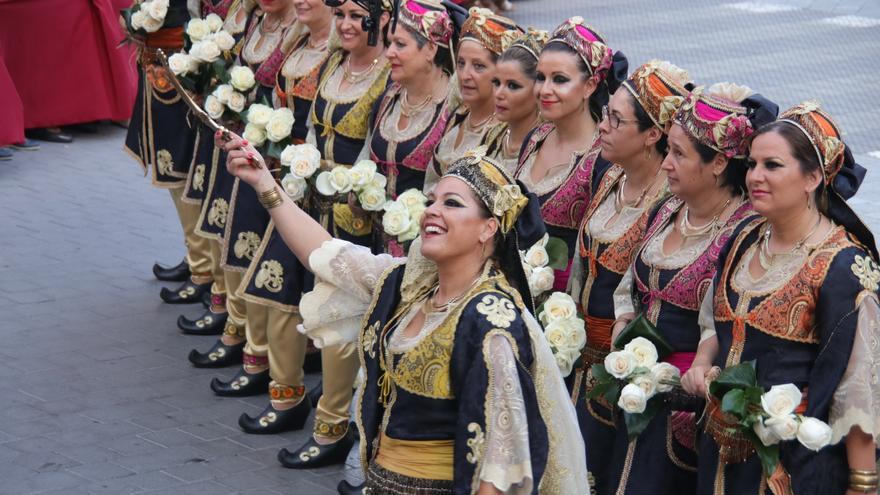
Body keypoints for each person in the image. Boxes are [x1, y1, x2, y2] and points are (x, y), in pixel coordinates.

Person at [222, 135, 590, 493]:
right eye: (432, 201)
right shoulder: (411, 287)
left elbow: (503, 459)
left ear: (488, 228)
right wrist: (265, 185)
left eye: (452, 203)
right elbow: (328, 254)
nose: (433, 210)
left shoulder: (491, 321)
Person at [680, 102, 879, 494]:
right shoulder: (744, 238)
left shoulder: (843, 267)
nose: (755, 176)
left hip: (792, 470)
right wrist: (703, 363)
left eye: (772, 165)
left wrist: (863, 483)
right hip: (719, 460)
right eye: (752, 164)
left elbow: (859, 389)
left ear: (812, 178)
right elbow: (714, 319)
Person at [604, 83, 778, 494]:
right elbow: (630, 285)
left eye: (679, 154)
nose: (665, 164)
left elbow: (722, 321)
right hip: (636, 396)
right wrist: (624, 322)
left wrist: (695, 369)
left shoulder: (744, 232)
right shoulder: (667, 210)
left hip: (689, 412)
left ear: (718, 163)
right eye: (667, 150)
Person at [270, 0, 392, 469]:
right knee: (312, 309)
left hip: (359, 220)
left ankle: (334, 426)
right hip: (315, 205)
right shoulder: (334, 63)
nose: (344, 25)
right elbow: (311, 130)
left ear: (379, 21)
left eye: (355, 16)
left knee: (346, 323)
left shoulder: (385, 79)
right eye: (338, 13)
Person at [209, 0, 334, 433]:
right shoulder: (296, 38)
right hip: (275, 169)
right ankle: (260, 363)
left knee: (290, 289)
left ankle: (299, 397)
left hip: (313, 189)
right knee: (257, 271)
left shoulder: (343, 56)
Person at [566, 59, 690, 494]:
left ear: (653, 135)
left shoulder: (668, 200)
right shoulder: (610, 175)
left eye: (616, 119)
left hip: (623, 374)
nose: (602, 125)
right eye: (605, 114)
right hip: (578, 362)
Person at [199, 0, 298, 398]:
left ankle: (275, 370)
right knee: (238, 248)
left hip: (288, 172)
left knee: (272, 272)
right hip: (254, 156)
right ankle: (244, 340)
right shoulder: (257, 17)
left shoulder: (307, 36)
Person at [515, 16, 626, 292]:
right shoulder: (535, 139)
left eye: (560, 80)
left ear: (590, 86)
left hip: (562, 310)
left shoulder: (602, 159)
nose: (544, 90)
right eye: (540, 78)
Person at [174, 0, 256, 337]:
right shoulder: (247, 13)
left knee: (240, 236)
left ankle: (242, 330)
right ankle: (220, 299)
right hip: (228, 130)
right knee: (219, 218)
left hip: (261, 147)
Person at [425, 7, 522, 189]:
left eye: (478, 66)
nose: (465, 75)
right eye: (461, 63)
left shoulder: (506, 133)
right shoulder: (458, 115)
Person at [483, 28, 547, 175]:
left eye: (512, 86)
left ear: (538, 89)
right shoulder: (493, 136)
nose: (499, 94)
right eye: (496, 82)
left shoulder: (545, 147)